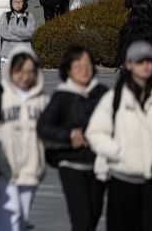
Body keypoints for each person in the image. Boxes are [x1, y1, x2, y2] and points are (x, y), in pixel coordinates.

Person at [86, 41, 152, 231]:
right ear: (128, 64)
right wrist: (118, 151)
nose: (145, 65)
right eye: (139, 61)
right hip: (122, 181)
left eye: (149, 61)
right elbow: (95, 132)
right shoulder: (115, 97)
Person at [37, 46, 108, 231]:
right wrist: (69, 136)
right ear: (68, 69)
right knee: (82, 221)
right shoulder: (62, 96)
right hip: (71, 165)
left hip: (99, 165)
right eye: (77, 65)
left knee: (93, 217)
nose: (84, 69)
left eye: (87, 64)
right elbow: (43, 127)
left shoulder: (102, 93)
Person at [0, 47, 49, 231]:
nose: (24, 77)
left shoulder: (42, 99)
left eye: (29, 72)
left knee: (21, 219)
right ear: (11, 70)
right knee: (8, 219)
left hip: (31, 168)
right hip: (4, 168)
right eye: (20, 71)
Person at [0, 0, 35, 66]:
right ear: (11, 3)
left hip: (24, 55)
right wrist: (22, 35)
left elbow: (29, 34)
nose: (18, 4)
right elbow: (3, 33)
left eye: (20, 1)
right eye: (15, 1)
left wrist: (13, 30)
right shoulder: (5, 16)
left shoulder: (29, 17)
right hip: (7, 56)